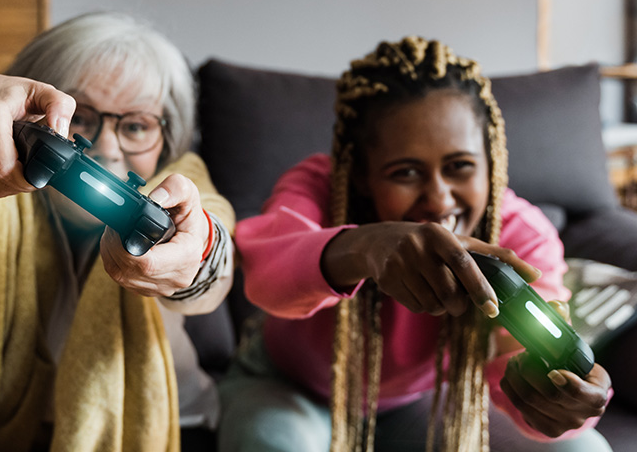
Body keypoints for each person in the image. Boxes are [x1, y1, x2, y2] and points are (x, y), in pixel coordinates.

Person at [217, 37, 613, 452]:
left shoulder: (519, 236)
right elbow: (265, 275)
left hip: (417, 404)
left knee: (582, 448)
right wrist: (365, 247)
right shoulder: (319, 187)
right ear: (362, 176)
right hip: (292, 388)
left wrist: (550, 398)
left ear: (491, 162)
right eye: (405, 173)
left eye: (460, 167)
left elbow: (516, 357)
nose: (439, 199)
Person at [0, 11, 235, 452]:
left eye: (135, 126)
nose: (109, 149)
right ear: (27, 114)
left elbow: (214, 252)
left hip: (164, 428)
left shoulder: (182, 187)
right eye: (82, 117)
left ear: (167, 141)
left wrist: (193, 254)